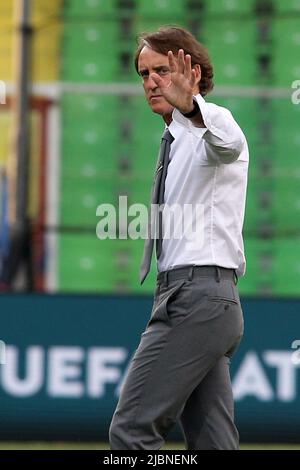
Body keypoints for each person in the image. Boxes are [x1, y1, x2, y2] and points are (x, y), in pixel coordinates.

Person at [109, 26, 248, 450]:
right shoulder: (173, 138)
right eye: (143, 73)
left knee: (130, 433)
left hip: (195, 299)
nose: (150, 81)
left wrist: (190, 106)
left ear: (191, 70)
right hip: (201, 301)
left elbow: (227, 144)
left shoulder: (212, 120)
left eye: (162, 70)